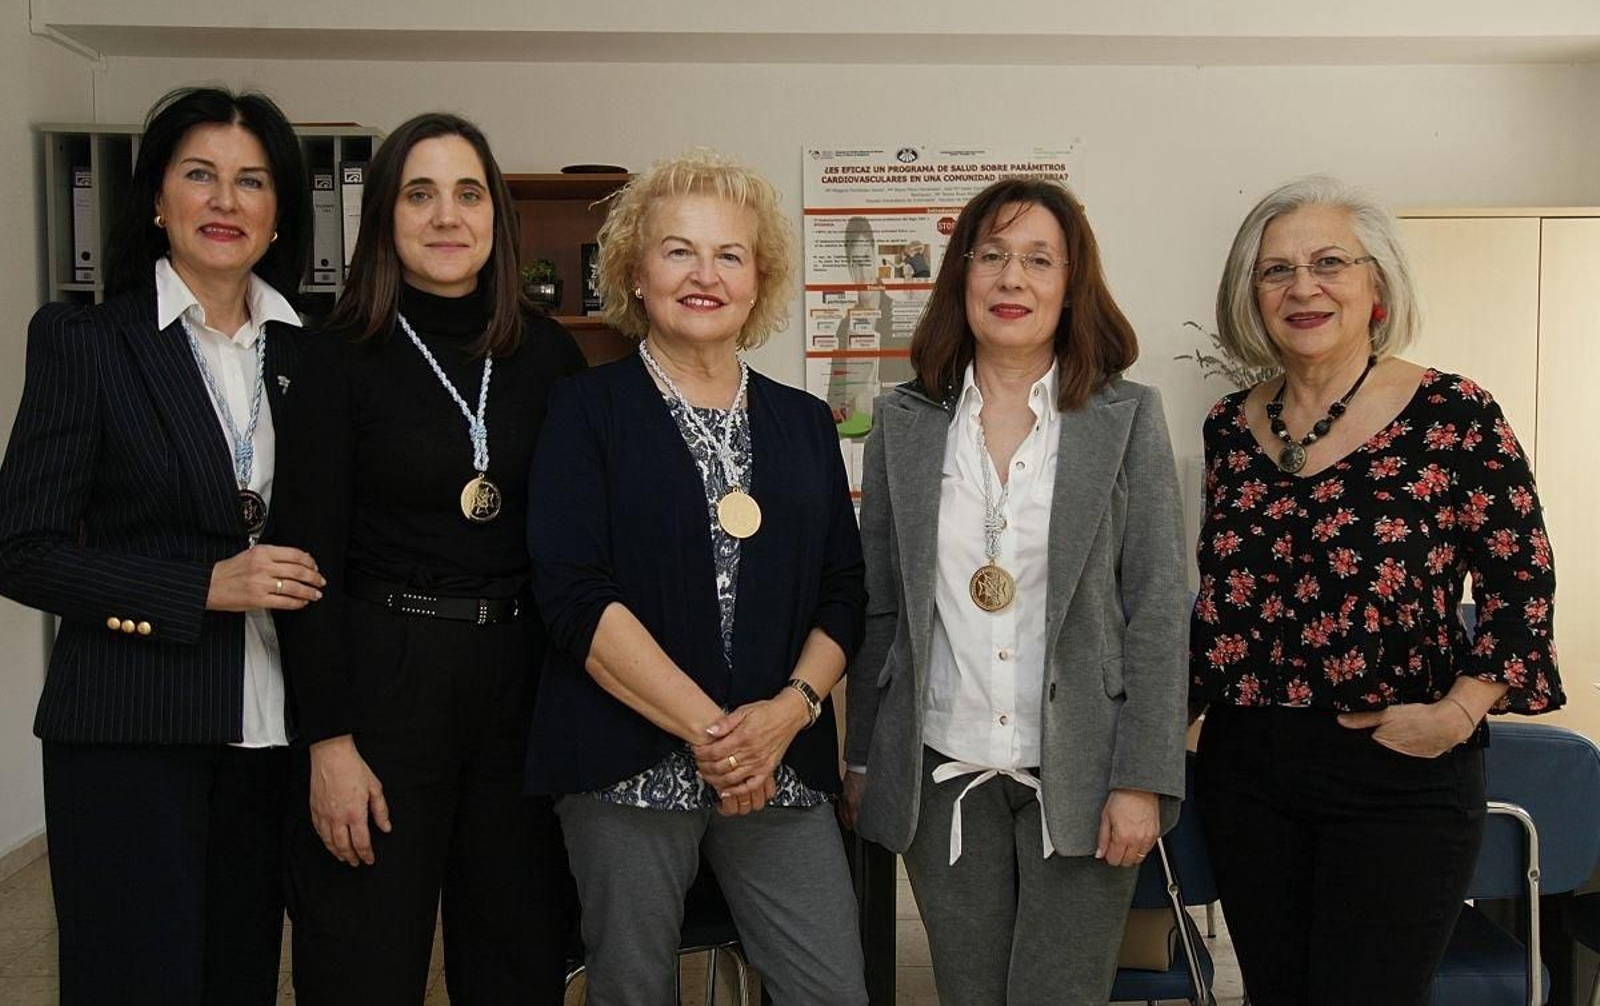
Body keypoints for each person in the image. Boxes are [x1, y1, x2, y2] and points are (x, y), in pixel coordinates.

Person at [1189, 175, 1563, 1005]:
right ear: (1251, 295)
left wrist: (1457, 713)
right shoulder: (1228, 426)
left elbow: (1521, 581)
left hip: (1398, 766)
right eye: (1275, 270)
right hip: (1248, 771)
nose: (1303, 287)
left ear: (1377, 284)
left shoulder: (1454, 413)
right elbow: (1221, 604)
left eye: (1329, 262)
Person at [526, 147, 869, 1005]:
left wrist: (786, 715)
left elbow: (844, 591)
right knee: (635, 988)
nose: (703, 274)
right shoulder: (584, 411)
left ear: (760, 281)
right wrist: (720, 736)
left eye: (729, 254)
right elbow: (574, 596)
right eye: (678, 250)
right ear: (635, 273)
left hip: (779, 764)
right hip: (626, 763)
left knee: (830, 987)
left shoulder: (802, 423)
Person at [0, 86, 318, 1006]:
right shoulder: (87, 342)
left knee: (239, 978)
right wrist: (199, 586)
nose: (225, 201)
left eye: (250, 181)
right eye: (199, 175)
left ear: (277, 212)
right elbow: (22, 546)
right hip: (129, 728)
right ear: (155, 200)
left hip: (271, 730)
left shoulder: (314, 353)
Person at [841, 176, 1190, 1005]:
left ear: (1071, 286)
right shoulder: (904, 420)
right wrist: (860, 755)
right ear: (961, 273)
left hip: (1082, 775)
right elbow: (881, 602)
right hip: (941, 769)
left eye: (1039, 259)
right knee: (969, 992)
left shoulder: (1127, 416)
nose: (1011, 280)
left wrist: (1142, 777)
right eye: (991, 255)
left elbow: (1158, 605)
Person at [272, 113, 586, 1005]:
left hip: (518, 688)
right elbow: (303, 562)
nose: (446, 216)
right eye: (420, 193)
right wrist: (327, 741)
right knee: (363, 957)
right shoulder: (335, 354)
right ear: (385, 216)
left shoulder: (548, 353)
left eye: (468, 193)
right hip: (381, 682)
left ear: (497, 216)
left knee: (518, 957)